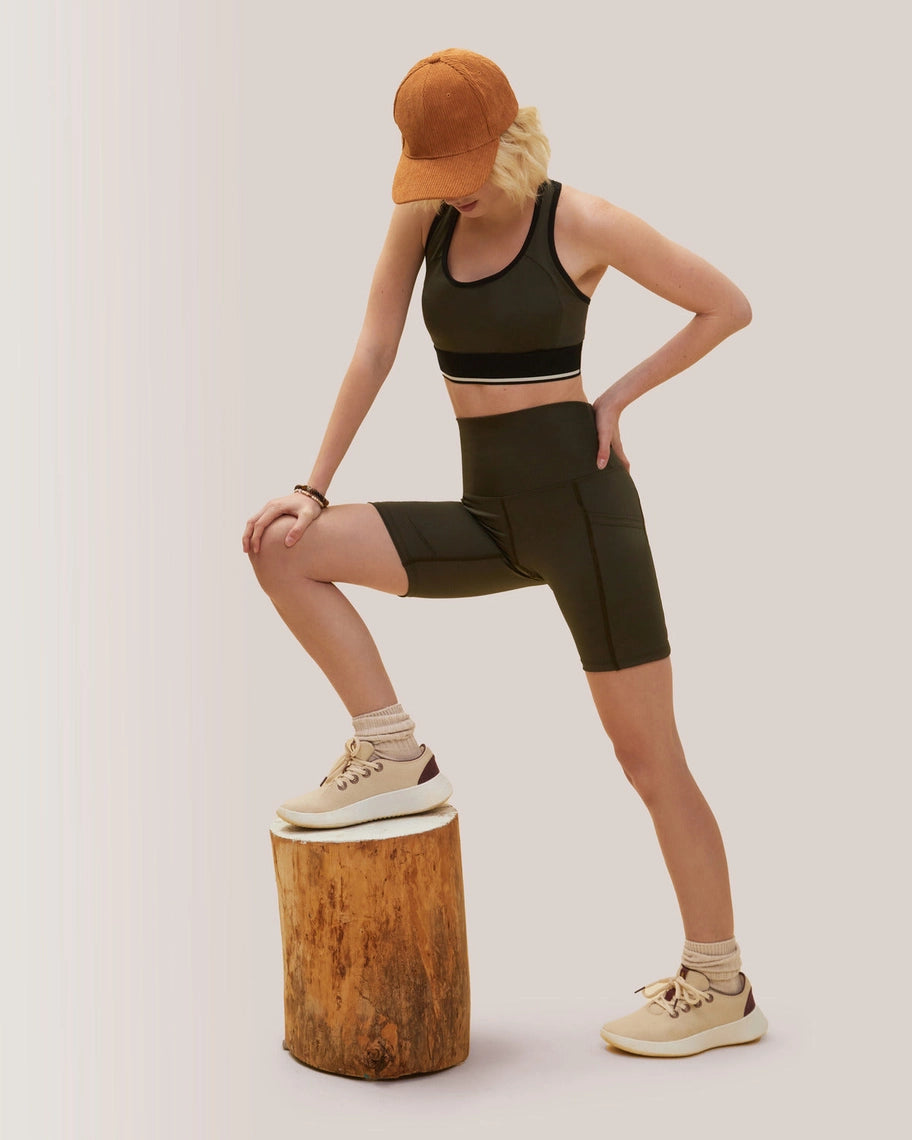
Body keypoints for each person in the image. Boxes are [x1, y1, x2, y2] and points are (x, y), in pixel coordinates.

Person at [242, 49, 767, 1058]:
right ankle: (391, 747)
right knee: (283, 549)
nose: (451, 191)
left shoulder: (583, 220)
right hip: (487, 517)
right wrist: (312, 483)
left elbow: (725, 304)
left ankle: (719, 983)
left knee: (648, 757)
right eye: (431, 173)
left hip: (585, 512)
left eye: (461, 168)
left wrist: (616, 395)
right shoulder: (424, 219)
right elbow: (374, 349)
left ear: (506, 138)